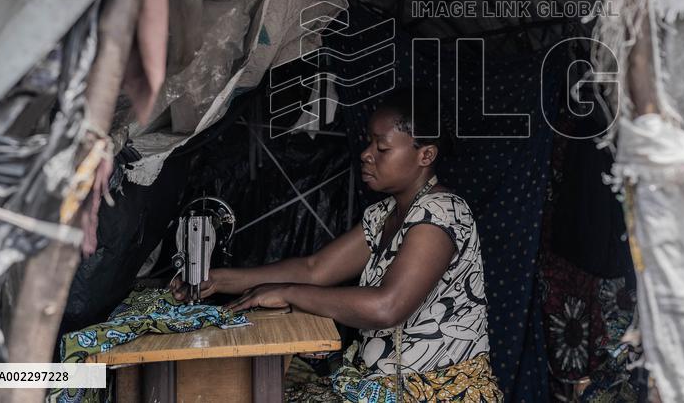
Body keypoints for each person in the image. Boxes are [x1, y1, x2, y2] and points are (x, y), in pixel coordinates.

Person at [171, 89, 501, 401]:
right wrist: (218, 280)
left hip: (435, 391)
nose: (366, 154)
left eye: (381, 148)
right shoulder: (384, 214)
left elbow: (387, 307)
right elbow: (315, 269)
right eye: (369, 143)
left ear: (425, 154)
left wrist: (286, 292)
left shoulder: (443, 212)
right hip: (385, 384)